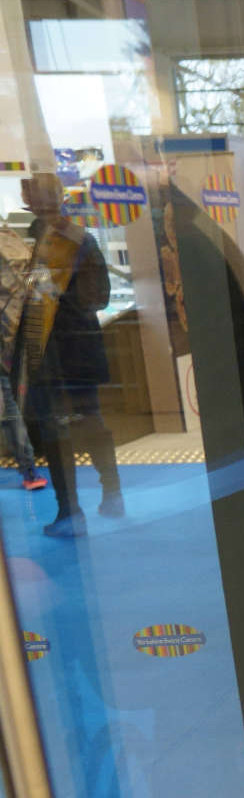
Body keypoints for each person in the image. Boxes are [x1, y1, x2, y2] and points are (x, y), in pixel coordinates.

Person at [13, 172, 120, 536]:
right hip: (58, 353)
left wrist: (53, 296)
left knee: (77, 427)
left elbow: (96, 297)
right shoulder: (38, 239)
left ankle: (92, 502)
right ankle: (83, 504)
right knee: (73, 427)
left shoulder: (74, 241)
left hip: (68, 353)